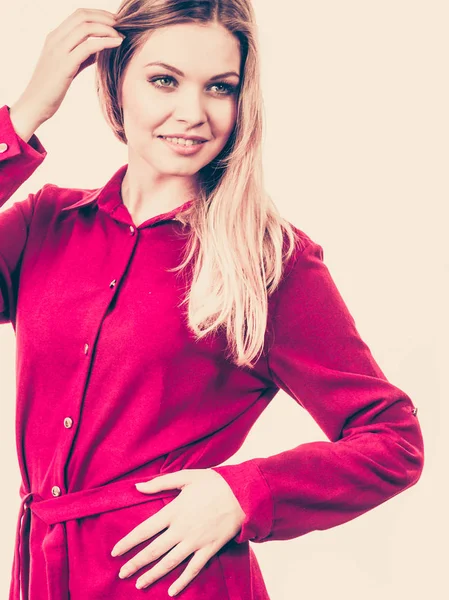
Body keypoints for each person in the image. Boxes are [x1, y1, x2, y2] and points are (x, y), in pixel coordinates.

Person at [0, 1, 424, 599]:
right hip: (42, 578)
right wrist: (19, 121)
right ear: (115, 82)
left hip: (179, 584)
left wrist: (242, 493)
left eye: (219, 87)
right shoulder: (45, 222)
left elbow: (392, 439)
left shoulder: (270, 260)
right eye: (164, 80)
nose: (192, 114)